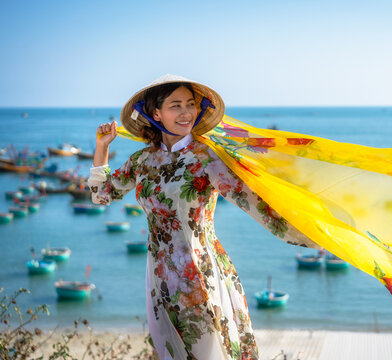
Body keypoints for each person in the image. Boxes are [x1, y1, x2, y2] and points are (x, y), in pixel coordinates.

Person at [88, 74, 322, 360]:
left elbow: (254, 202)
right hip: (159, 275)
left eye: (191, 104)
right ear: (156, 113)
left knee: (210, 351)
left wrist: (311, 234)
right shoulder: (141, 161)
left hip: (200, 270)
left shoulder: (206, 157)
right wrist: (102, 147)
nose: (186, 112)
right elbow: (102, 195)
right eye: (176, 105)